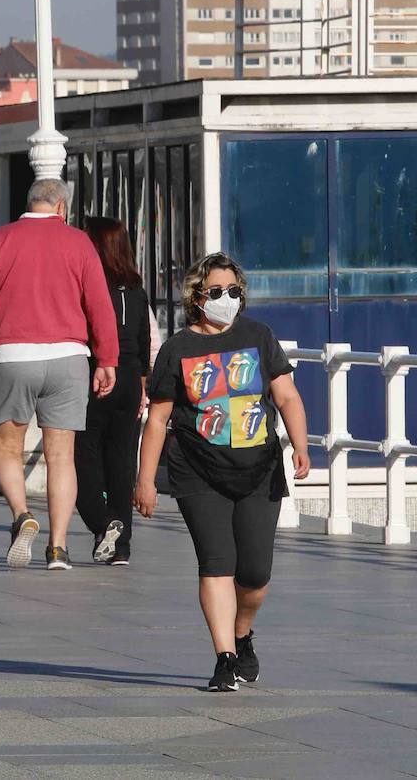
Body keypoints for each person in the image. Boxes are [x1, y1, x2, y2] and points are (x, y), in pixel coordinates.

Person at [135, 252, 310, 692]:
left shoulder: (259, 336)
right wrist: (144, 481)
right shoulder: (178, 349)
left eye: (234, 291)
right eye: (217, 292)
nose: (226, 299)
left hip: (259, 469)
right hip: (197, 470)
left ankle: (242, 632)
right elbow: (158, 420)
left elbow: (286, 397)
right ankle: (225, 658)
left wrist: (301, 446)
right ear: (197, 296)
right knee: (216, 563)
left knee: (254, 574)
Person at [0, 177, 118, 571]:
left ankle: (22, 515)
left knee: (6, 447)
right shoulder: (79, 242)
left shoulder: (1, 240)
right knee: (62, 455)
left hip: (12, 356)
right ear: (62, 207)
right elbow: (99, 304)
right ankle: (59, 548)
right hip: (68, 358)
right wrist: (107, 359)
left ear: (29, 203)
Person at [74, 218, 150, 566]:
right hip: (131, 379)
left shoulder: (89, 284)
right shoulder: (136, 288)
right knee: (122, 462)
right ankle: (122, 547)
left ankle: (104, 522)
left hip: (96, 375)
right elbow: (144, 340)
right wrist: (143, 387)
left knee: (83, 456)